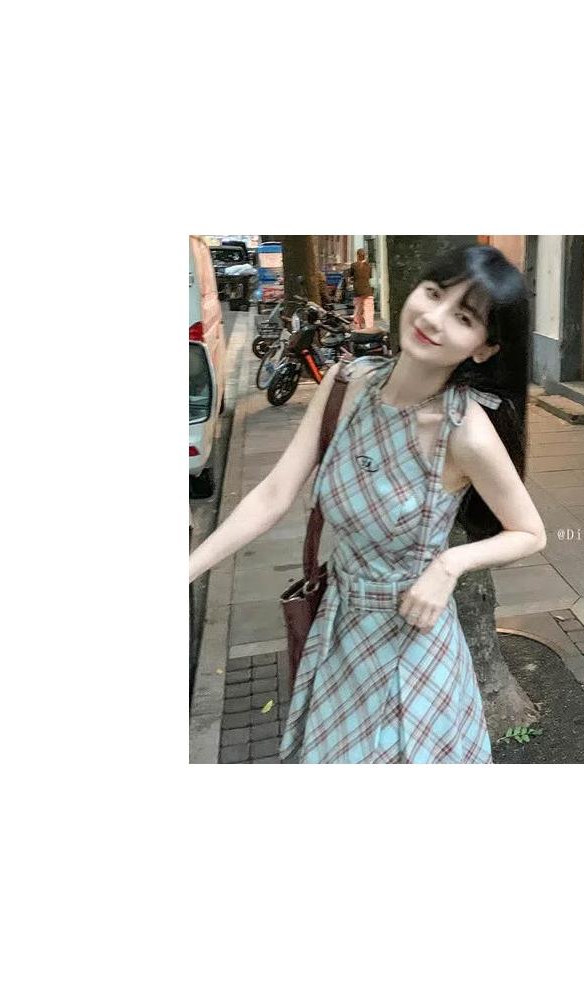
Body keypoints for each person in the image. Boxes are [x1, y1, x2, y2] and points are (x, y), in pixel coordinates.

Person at [189, 244, 546, 763]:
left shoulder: (465, 431)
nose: (434, 317)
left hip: (415, 648)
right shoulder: (346, 386)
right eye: (433, 294)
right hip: (339, 633)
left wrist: (450, 564)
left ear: (484, 349)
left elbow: (530, 532)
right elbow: (273, 494)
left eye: (464, 317)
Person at [346, 247, 375, 329]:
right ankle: (369, 328)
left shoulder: (353, 265)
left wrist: (353, 280)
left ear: (357, 256)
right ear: (365, 256)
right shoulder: (369, 266)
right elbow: (370, 276)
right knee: (369, 311)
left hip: (358, 292)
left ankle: (357, 327)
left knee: (358, 310)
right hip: (368, 291)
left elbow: (350, 276)